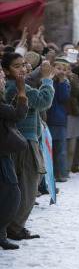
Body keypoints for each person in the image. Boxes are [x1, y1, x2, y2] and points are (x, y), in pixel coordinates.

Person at [4, 55, 54, 241]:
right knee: (28, 187)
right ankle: (15, 227)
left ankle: (13, 225)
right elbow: (43, 101)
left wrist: (41, 70)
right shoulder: (15, 87)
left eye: (24, 64)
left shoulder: (14, 85)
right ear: (7, 71)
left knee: (23, 186)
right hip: (25, 143)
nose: (22, 69)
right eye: (16, 66)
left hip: (22, 141)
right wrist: (47, 78)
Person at [0, 69, 29, 250]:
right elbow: (19, 113)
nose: (3, 80)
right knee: (11, 194)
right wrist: (22, 92)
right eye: (1, 77)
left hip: (4, 153)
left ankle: (1, 236)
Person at [46, 58, 71, 183]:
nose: (60, 71)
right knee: (48, 147)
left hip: (59, 120)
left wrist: (61, 82)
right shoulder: (47, 81)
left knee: (60, 149)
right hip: (47, 119)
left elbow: (63, 98)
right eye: (58, 68)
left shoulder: (65, 83)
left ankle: (60, 172)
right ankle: (48, 173)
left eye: (63, 69)